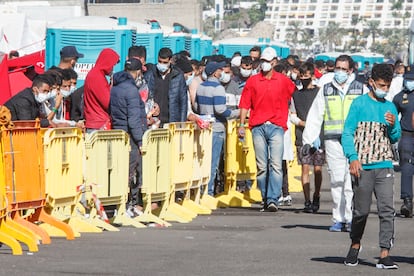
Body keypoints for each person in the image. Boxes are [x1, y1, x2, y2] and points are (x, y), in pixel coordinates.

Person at [342, 63, 400, 269]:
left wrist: (393, 125)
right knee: (361, 212)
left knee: (387, 210)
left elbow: (395, 137)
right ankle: (355, 245)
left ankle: (385, 253)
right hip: (362, 167)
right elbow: (347, 133)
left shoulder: (390, 107)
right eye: (381, 85)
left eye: (387, 86)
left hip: (384, 166)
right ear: (371, 82)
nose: (384, 89)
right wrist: (353, 158)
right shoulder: (358, 104)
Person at [302, 55, 367, 232]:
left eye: (343, 69)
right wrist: (308, 139)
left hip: (354, 140)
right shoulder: (326, 90)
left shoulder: (360, 89)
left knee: (350, 181)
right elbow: (315, 116)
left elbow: (367, 112)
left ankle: (351, 217)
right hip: (333, 141)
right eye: (337, 68)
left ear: (350, 71)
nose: (339, 72)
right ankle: (338, 219)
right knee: (337, 180)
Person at [238, 47, 296, 212]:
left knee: (276, 164)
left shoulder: (284, 81)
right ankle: (265, 197)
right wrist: (241, 125)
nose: (264, 64)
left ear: (274, 62)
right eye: (262, 61)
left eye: (267, 61)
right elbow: (244, 104)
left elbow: (296, 95)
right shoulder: (253, 81)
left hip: (277, 127)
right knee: (262, 166)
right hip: (258, 127)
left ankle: (273, 199)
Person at [194, 61, 239, 196]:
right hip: (217, 127)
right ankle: (208, 191)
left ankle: (201, 190)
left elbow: (196, 106)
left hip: (203, 126)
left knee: (202, 159)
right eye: (220, 70)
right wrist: (235, 113)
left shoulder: (201, 86)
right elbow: (220, 109)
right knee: (213, 161)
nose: (222, 73)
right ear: (215, 73)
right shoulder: (218, 88)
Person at [110, 58, 147, 217]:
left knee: (119, 170)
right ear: (138, 72)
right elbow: (133, 118)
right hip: (130, 136)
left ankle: (119, 205)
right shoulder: (131, 90)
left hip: (118, 132)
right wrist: (139, 140)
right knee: (130, 172)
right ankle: (127, 205)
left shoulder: (115, 87)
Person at [292, 62, 325, 213]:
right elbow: (292, 115)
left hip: (318, 135)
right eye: (301, 76)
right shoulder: (296, 95)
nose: (303, 78)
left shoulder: (320, 93)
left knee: (318, 169)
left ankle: (316, 195)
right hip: (302, 136)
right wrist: (302, 123)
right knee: (305, 168)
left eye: (306, 76)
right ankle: (307, 200)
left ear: (312, 75)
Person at [145, 47, 188, 127]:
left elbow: (183, 102)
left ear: (170, 60)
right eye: (160, 61)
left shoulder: (178, 75)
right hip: (154, 122)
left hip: (171, 121)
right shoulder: (150, 74)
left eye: (165, 62)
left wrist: (182, 124)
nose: (162, 64)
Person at [392, 65, 414, 218]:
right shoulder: (400, 97)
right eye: (407, 79)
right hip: (406, 136)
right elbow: (392, 117)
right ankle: (407, 201)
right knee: (406, 168)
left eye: (412, 80)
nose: (409, 82)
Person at [83, 48, 120, 132]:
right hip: (98, 124)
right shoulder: (97, 76)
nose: (112, 68)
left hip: (97, 122)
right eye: (112, 65)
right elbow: (108, 102)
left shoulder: (96, 74)